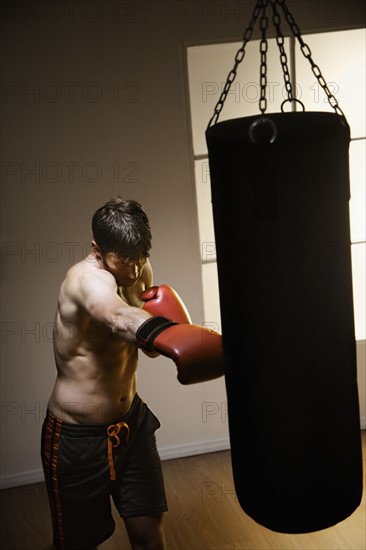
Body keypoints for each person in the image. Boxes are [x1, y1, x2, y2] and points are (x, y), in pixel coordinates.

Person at [41, 197, 225, 550]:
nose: (135, 272)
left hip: (132, 426)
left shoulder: (140, 268)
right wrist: (170, 333)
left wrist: (162, 337)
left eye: (140, 259)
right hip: (77, 440)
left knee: (149, 535)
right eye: (125, 262)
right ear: (98, 250)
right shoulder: (84, 282)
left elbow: (140, 343)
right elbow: (115, 316)